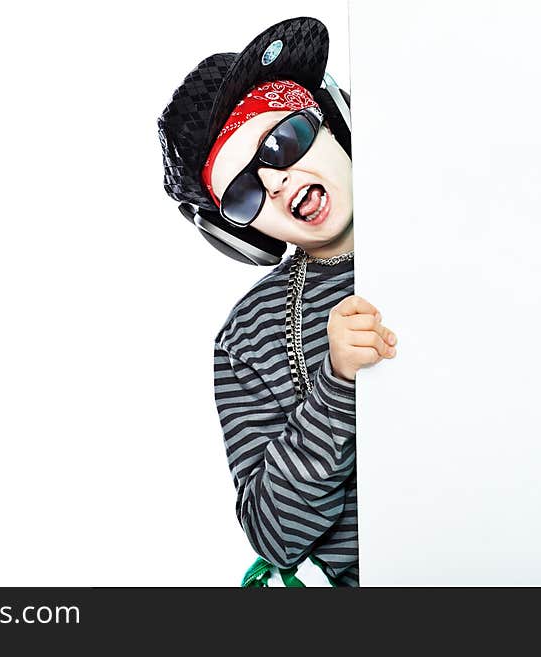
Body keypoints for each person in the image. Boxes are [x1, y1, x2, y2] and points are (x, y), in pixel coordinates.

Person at [157, 17, 398, 587]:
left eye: (282, 142)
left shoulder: (465, 220)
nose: (277, 182)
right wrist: (336, 381)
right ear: (242, 233)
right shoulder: (247, 336)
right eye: (242, 191)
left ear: (332, 120)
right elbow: (274, 535)